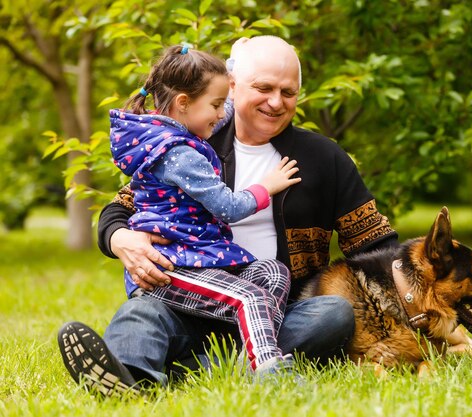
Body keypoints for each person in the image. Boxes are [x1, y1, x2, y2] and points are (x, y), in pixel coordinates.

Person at [58, 36, 398, 396]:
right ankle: (129, 375)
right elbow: (121, 207)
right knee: (141, 315)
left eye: (288, 92)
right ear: (232, 86)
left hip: (275, 314)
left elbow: (376, 244)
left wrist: (420, 309)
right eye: (264, 88)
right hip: (185, 302)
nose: (276, 102)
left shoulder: (323, 158)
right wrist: (119, 238)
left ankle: (191, 370)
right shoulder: (193, 144)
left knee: (333, 315)